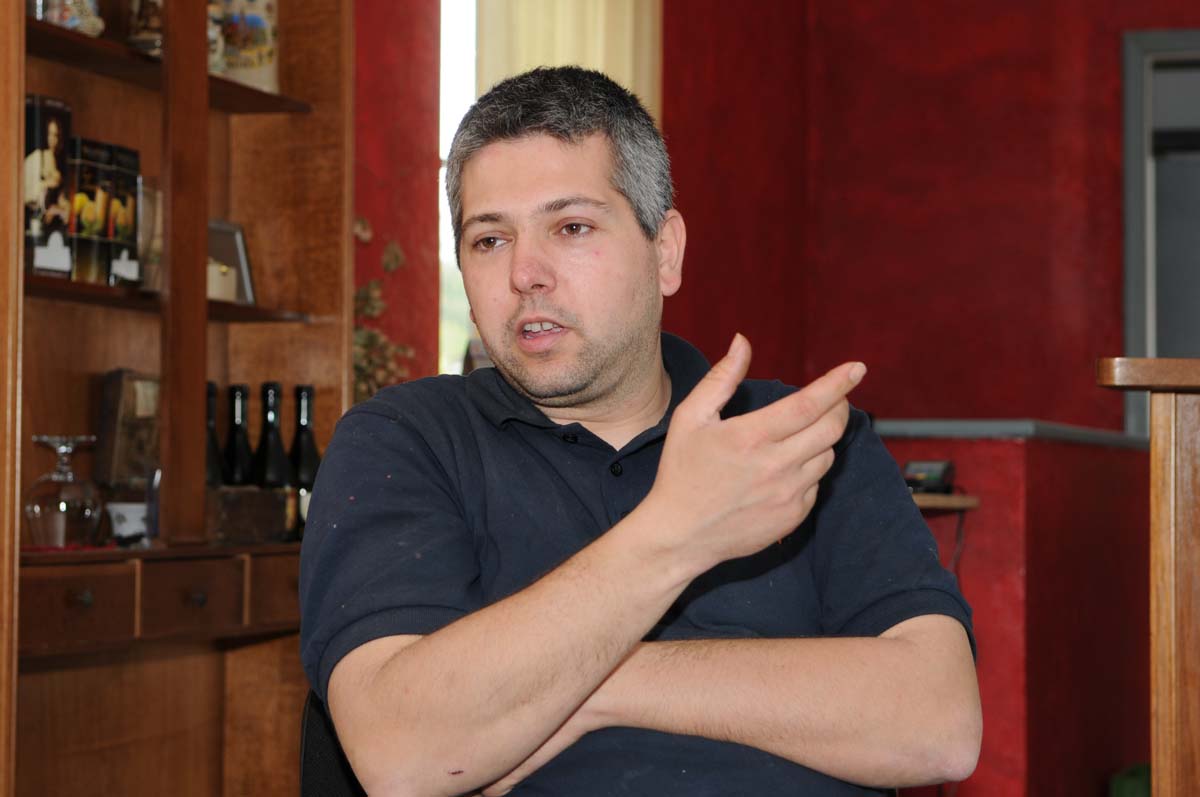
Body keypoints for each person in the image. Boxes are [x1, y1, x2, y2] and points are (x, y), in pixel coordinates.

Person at [300, 66, 981, 797]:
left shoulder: (796, 437)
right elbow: (401, 752)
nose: (526, 273)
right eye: (489, 239)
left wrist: (588, 686)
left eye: (571, 227)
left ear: (665, 252)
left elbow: (939, 724)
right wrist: (679, 530)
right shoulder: (404, 441)